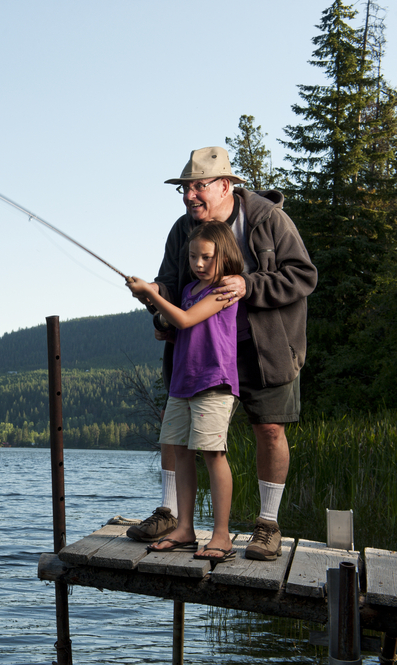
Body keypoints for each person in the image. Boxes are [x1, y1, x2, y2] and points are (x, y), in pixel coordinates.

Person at [126, 146, 317, 561]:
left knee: (269, 431)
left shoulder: (268, 218)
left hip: (263, 350)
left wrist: (251, 286)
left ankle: (267, 525)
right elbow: (169, 284)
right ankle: (172, 515)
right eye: (184, 189)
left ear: (226, 185)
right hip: (201, 352)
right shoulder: (183, 230)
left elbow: (304, 275)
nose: (189, 196)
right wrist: (159, 313)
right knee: (176, 437)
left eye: (199, 187)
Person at [126, 222, 243, 561]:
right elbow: (187, 331)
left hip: (213, 384)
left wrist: (151, 294)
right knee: (179, 452)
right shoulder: (190, 289)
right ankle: (185, 529)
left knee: (212, 454)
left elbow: (188, 320)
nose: (199, 264)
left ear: (224, 256)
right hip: (183, 383)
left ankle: (221, 535)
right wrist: (163, 327)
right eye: (193, 257)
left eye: (207, 257)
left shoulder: (222, 291)